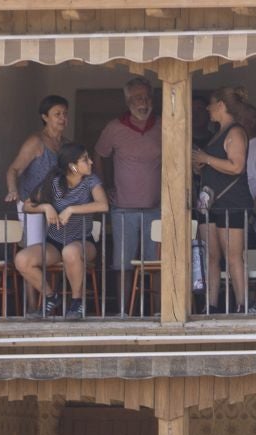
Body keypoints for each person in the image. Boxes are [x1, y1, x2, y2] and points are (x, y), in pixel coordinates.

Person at [13, 143, 108, 320]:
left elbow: (103, 205)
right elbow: (27, 205)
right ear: (73, 166)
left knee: (70, 251)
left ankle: (76, 303)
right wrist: (46, 207)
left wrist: (71, 209)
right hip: (55, 242)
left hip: (83, 242)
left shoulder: (91, 181)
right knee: (22, 259)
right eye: (85, 160)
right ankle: (51, 296)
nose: (91, 162)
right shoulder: (54, 182)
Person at [94, 77, 160, 313]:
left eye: (146, 97)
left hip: (156, 208)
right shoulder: (114, 128)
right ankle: (123, 313)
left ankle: (159, 311)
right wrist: (103, 187)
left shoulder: (162, 125)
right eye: (138, 98)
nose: (143, 103)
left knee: (156, 264)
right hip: (123, 207)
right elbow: (99, 154)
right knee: (122, 264)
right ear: (128, 100)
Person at [192, 88, 253, 313]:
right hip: (211, 203)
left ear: (221, 105)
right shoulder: (218, 131)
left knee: (233, 256)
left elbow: (236, 166)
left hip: (231, 202)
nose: (207, 109)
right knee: (211, 255)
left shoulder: (235, 132)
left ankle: (241, 304)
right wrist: (201, 165)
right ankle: (211, 304)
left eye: (210, 104)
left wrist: (206, 158)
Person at [4, 95, 69, 269]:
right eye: (57, 114)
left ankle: (48, 295)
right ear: (45, 117)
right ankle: (32, 298)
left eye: (64, 113)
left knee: (54, 253)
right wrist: (12, 190)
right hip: (31, 204)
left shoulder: (66, 145)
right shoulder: (36, 142)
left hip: (55, 206)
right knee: (34, 254)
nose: (63, 118)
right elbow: (14, 169)